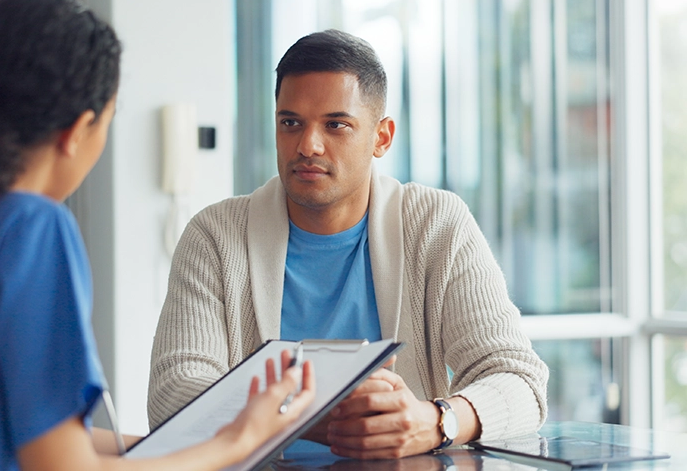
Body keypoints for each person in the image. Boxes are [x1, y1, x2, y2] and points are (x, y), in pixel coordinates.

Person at [0, 0, 314, 470]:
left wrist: (191, 440)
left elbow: (28, 435)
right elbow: (64, 466)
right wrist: (241, 440)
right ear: (78, 130)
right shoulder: (31, 227)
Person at [148, 29, 549, 460]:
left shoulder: (436, 224)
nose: (307, 145)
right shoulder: (214, 236)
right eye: (290, 123)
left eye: (336, 124)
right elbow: (174, 394)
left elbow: (518, 380)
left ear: (382, 137)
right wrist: (314, 416)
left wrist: (435, 422)